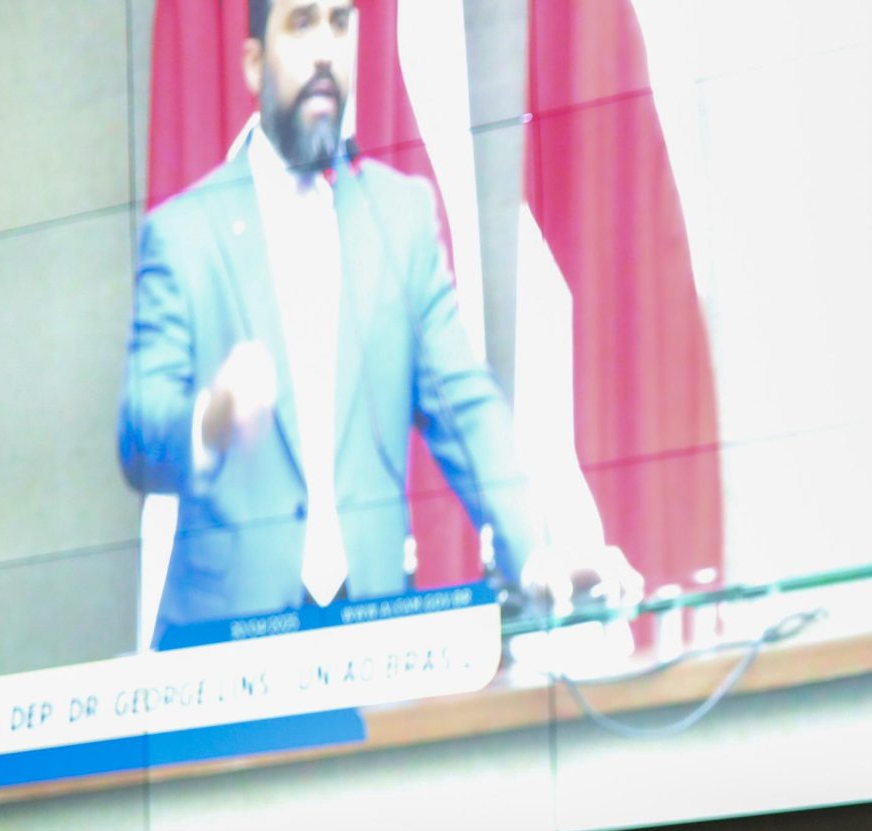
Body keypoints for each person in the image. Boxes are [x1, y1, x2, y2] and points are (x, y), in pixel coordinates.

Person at [117, 0, 611, 644]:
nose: (326, 48)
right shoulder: (184, 235)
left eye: (340, 23)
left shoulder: (398, 217)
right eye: (301, 24)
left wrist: (538, 553)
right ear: (253, 63)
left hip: (373, 633)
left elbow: (466, 410)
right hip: (225, 641)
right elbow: (138, 437)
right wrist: (212, 415)